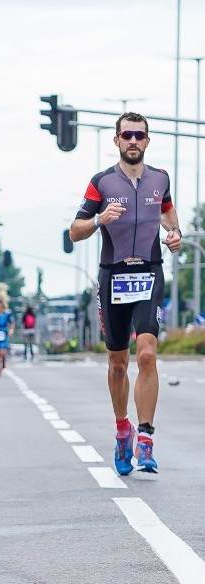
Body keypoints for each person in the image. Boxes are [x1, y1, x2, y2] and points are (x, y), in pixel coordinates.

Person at [69, 112, 182, 476]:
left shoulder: (159, 179)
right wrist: (99, 219)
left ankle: (146, 437)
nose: (133, 141)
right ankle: (123, 431)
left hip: (149, 273)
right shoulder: (101, 182)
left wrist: (175, 233)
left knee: (147, 354)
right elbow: (74, 230)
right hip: (113, 277)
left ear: (147, 141)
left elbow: (165, 210)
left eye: (140, 135)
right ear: (116, 141)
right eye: (127, 135)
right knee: (118, 362)